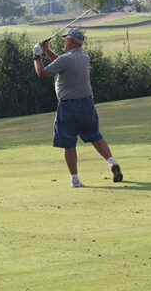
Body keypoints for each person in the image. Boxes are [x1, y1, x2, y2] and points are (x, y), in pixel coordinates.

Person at [33, 27, 123, 187]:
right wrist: (47, 50)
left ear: (72, 42)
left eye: (66, 39)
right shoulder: (83, 56)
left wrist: (36, 55)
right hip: (87, 104)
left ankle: (74, 179)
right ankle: (111, 161)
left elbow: (42, 73)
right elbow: (61, 62)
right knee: (95, 135)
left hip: (68, 107)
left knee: (69, 143)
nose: (63, 41)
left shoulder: (66, 60)